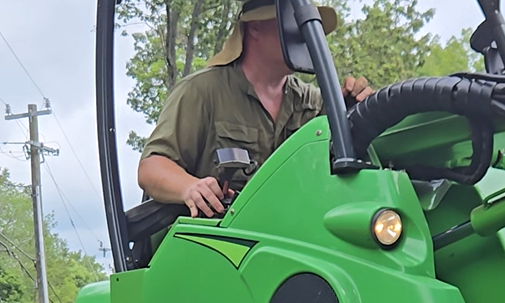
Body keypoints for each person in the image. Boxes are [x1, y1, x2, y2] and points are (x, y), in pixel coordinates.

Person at [138, 0, 373, 218]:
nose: (302, 36)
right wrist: (189, 187)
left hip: (292, 240)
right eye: (293, 25)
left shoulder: (315, 103)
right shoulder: (203, 91)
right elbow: (152, 168)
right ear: (255, 28)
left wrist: (356, 113)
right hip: (214, 244)